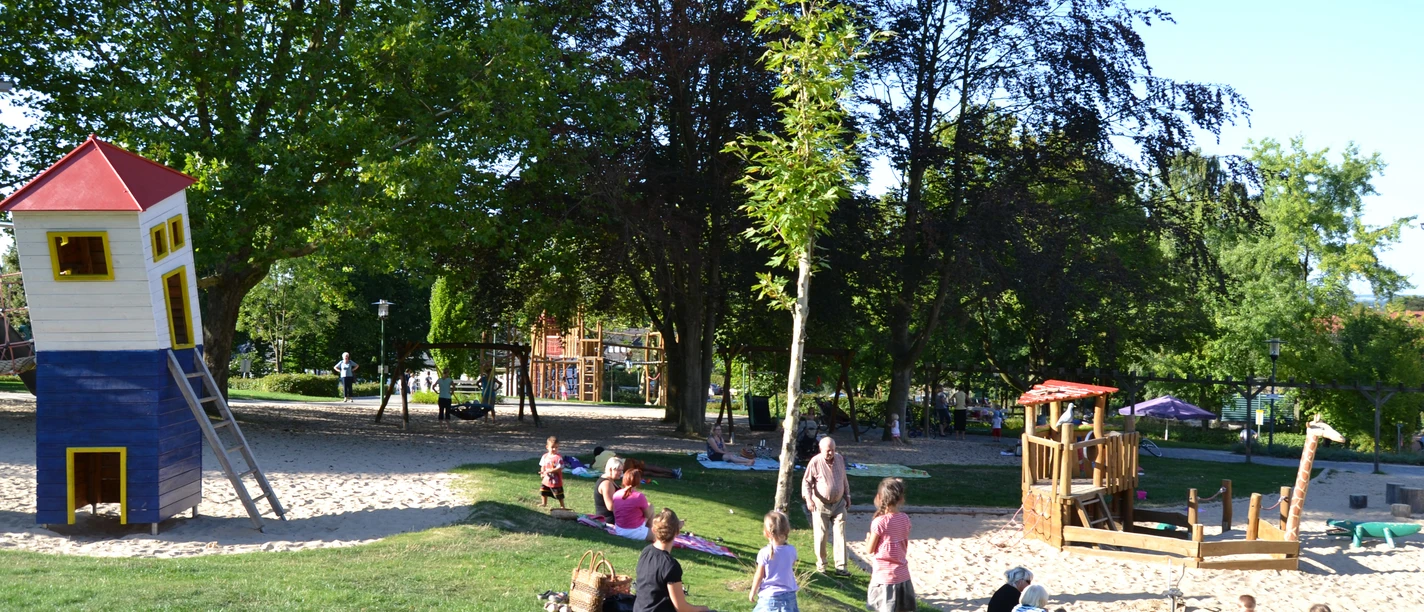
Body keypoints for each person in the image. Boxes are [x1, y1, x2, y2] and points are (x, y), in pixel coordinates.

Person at [633, 508, 710, 612]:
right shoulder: (670, 566)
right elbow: (681, 608)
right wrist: (703, 609)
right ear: (677, 532)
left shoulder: (646, 552)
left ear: (653, 530)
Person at [801, 436, 850, 575]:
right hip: (820, 504)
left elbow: (844, 479)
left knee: (840, 533)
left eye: (833, 450)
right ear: (821, 449)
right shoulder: (815, 462)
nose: (831, 453)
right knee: (821, 535)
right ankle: (822, 565)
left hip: (839, 503)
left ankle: (841, 567)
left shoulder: (840, 459)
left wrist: (848, 496)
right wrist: (809, 499)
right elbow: (806, 482)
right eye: (828, 450)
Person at [866, 478, 914, 612]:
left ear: (879, 497)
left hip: (884, 578)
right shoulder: (905, 518)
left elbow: (870, 549)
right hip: (903, 575)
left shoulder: (879, 522)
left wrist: (868, 539)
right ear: (901, 498)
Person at [749, 510, 799, 612]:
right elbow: (792, 563)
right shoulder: (792, 550)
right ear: (787, 530)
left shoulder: (764, 552)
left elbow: (759, 575)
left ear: (767, 533)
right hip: (789, 596)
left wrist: (753, 591)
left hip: (769, 597)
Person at [612, 469, 653, 540]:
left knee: (649, 505)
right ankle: (650, 529)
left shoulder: (616, 494)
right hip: (633, 531)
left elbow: (615, 512)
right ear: (638, 482)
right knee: (663, 535)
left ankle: (649, 529)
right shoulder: (639, 496)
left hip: (619, 529)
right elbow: (647, 515)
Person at [539, 436, 566, 509]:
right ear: (547, 447)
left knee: (558, 493)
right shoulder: (545, 456)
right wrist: (542, 472)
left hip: (555, 480)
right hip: (546, 479)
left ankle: (562, 506)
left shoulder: (558, 457)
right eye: (552, 447)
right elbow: (542, 465)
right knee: (543, 490)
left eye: (556, 447)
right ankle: (544, 503)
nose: (555, 449)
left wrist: (551, 470)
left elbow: (560, 467)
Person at [595, 457, 625, 523]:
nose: (621, 473)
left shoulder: (610, 481)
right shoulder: (606, 483)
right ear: (611, 469)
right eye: (619, 470)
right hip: (608, 520)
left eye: (622, 470)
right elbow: (611, 506)